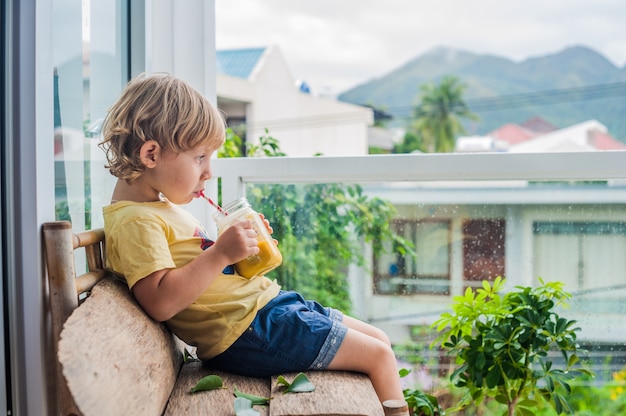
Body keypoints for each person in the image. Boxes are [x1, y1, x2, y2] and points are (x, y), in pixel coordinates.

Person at [99, 73, 404, 405]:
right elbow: (161, 302)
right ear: (151, 154)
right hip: (249, 331)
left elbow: (210, 283)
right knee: (378, 357)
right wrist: (220, 255)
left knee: (380, 340)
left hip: (265, 311)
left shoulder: (159, 208)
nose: (208, 172)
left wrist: (242, 251)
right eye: (200, 157)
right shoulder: (135, 222)